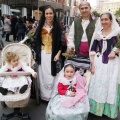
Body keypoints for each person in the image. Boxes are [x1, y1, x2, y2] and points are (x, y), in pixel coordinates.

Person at [88, 12, 120, 119]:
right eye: (102, 20)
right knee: (98, 84)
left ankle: (107, 111)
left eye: (106, 19)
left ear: (111, 20)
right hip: (99, 63)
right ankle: (96, 109)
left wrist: (115, 51)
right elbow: (92, 50)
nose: (104, 22)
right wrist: (92, 65)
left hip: (113, 64)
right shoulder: (98, 34)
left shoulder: (117, 33)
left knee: (109, 85)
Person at [34, 5, 66, 101]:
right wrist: (36, 51)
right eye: (47, 13)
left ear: (54, 14)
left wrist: (58, 54)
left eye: (50, 13)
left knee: (53, 75)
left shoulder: (58, 26)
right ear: (44, 15)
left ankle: (52, 95)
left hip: (54, 54)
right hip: (43, 54)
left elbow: (63, 43)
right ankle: (44, 95)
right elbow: (35, 40)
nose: (49, 15)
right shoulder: (40, 26)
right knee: (43, 74)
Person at [67, 1, 96, 74]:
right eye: (82, 8)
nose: (84, 10)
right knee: (76, 76)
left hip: (91, 56)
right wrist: (71, 46)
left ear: (90, 8)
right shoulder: (75, 22)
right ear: (80, 10)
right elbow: (70, 37)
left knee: (89, 77)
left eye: (86, 8)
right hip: (77, 55)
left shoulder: (96, 22)